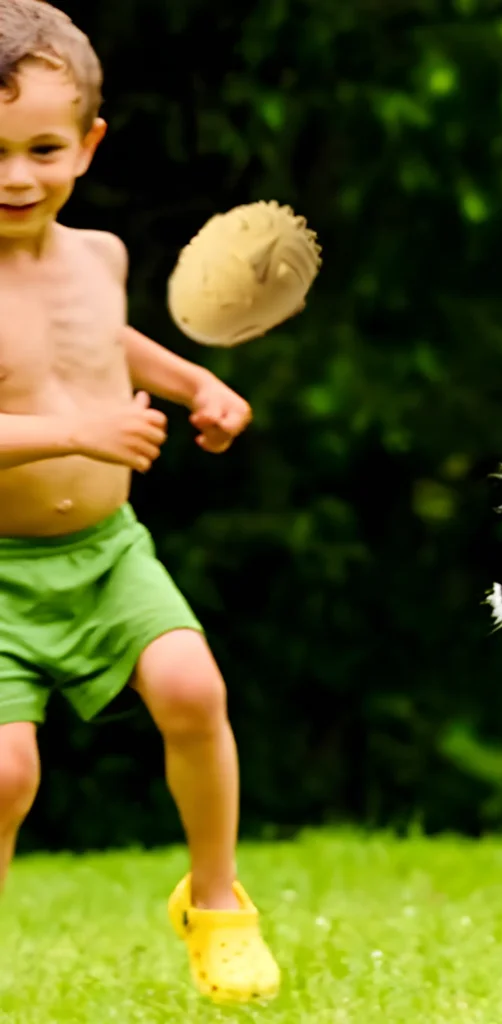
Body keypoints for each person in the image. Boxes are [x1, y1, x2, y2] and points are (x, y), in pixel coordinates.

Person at [0, 0, 280, 1004]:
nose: (16, 176)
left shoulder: (99, 256)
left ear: (88, 144)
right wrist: (82, 432)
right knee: (6, 777)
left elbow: (98, 345)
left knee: (194, 692)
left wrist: (192, 384)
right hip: (1, 575)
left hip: (111, 551)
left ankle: (216, 902)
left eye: (41, 148)